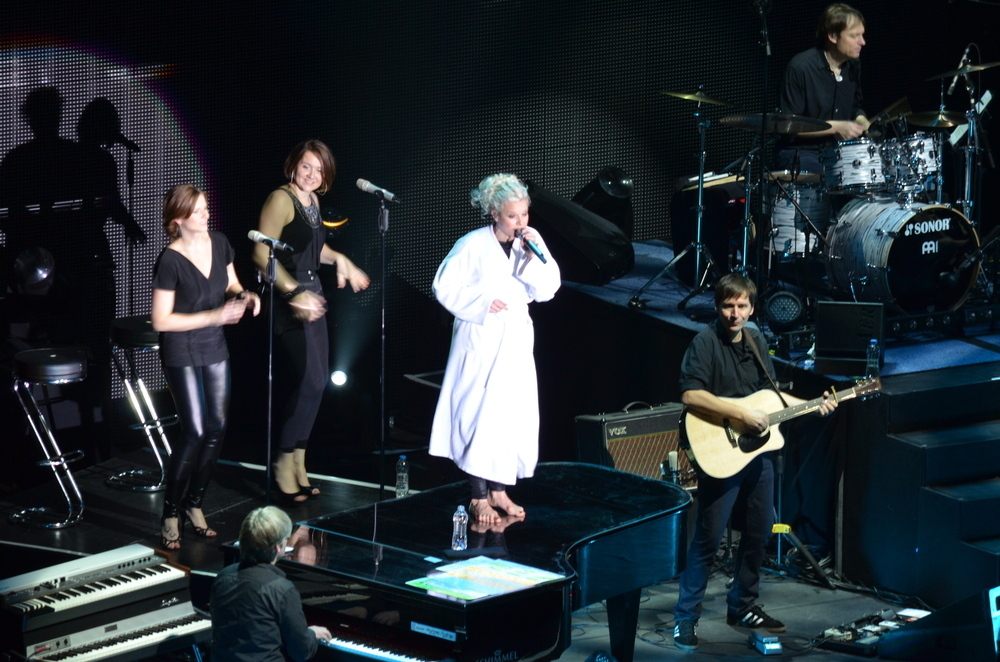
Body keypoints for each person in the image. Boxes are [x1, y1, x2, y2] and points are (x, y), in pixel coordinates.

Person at [671, 274, 837, 651]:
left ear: (751, 307)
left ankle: (742, 606)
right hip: (720, 450)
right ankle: (685, 618)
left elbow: (769, 398)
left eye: (742, 306)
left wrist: (814, 406)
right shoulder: (705, 342)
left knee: (759, 531)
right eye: (728, 306)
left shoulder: (756, 340)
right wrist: (740, 414)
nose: (735, 314)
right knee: (708, 539)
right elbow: (691, 395)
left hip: (757, 453)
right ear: (718, 306)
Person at [428, 173, 561, 524]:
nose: (520, 222)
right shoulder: (472, 244)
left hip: (515, 337)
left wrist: (531, 257)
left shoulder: (531, 242)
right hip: (480, 334)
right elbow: (444, 286)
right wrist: (483, 302)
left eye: (524, 214)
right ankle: (478, 496)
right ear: (495, 214)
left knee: (509, 414)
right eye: (512, 216)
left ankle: (499, 490)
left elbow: (549, 288)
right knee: (478, 415)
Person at [252, 140, 370, 503]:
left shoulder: (313, 202)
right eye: (307, 166)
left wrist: (343, 261)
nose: (312, 175)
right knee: (308, 380)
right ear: (293, 166)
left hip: (313, 294)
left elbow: (316, 250)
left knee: (318, 384)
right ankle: (281, 460)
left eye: (319, 169)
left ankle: (299, 460)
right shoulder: (281, 199)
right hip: (288, 298)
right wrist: (293, 293)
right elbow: (261, 254)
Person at [151, 184, 261, 549]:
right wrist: (215, 315)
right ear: (179, 219)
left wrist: (244, 295)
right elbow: (161, 320)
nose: (206, 215)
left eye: (206, 208)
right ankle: (170, 511)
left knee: (217, 427)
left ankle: (194, 503)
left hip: (213, 344)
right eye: (198, 211)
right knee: (195, 431)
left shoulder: (220, 242)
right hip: (181, 347)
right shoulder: (170, 260)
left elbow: (232, 283)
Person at [210, 506, 333, 662]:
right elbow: (301, 652)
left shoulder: (223, 576)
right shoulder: (281, 589)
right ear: (277, 547)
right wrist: (312, 634)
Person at [776, 3, 870, 175]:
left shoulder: (853, 65)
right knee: (825, 177)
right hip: (801, 152)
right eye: (854, 36)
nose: (862, 42)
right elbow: (790, 126)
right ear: (833, 36)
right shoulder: (801, 67)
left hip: (838, 151)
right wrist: (836, 127)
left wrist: (862, 121)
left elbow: (854, 106)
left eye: (862, 35)